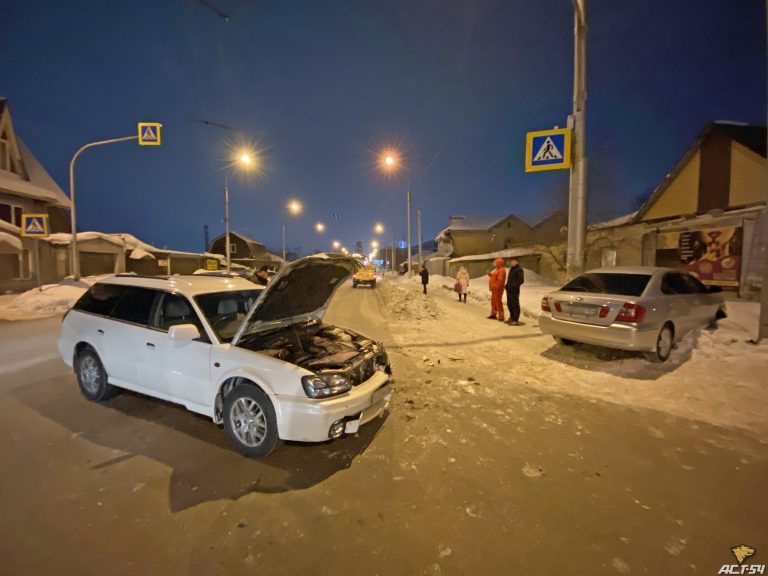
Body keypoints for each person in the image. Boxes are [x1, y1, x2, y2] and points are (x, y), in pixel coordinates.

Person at [504, 259, 524, 325]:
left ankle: (515, 319)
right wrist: (507, 285)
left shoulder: (519, 269)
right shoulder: (512, 269)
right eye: (511, 261)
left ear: (517, 262)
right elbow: (510, 279)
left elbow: (521, 280)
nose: (512, 262)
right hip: (509, 290)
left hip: (514, 290)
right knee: (510, 304)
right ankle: (511, 317)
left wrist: (514, 286)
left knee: (515, 304)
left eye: (514, 261)